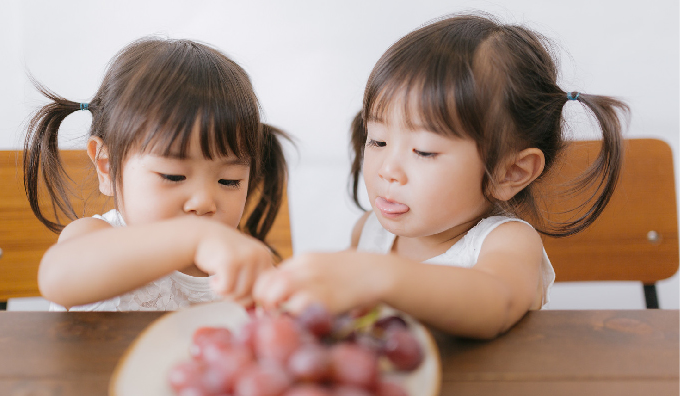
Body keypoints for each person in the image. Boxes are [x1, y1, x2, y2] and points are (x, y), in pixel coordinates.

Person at [253, 14, 628, 339]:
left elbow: (495, 301)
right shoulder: (371, 233)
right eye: (378, 140)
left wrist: (377, 275)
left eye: (424, 151)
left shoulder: (507, 244)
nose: (387, 170)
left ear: (510, 171)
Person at [23, 37, 289, 311]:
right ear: (107, 165)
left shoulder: (234, 264)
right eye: (173, 176)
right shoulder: (95, 237)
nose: (203, 202)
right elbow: (57, 278)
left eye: (228, 181)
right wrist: (193, 239)